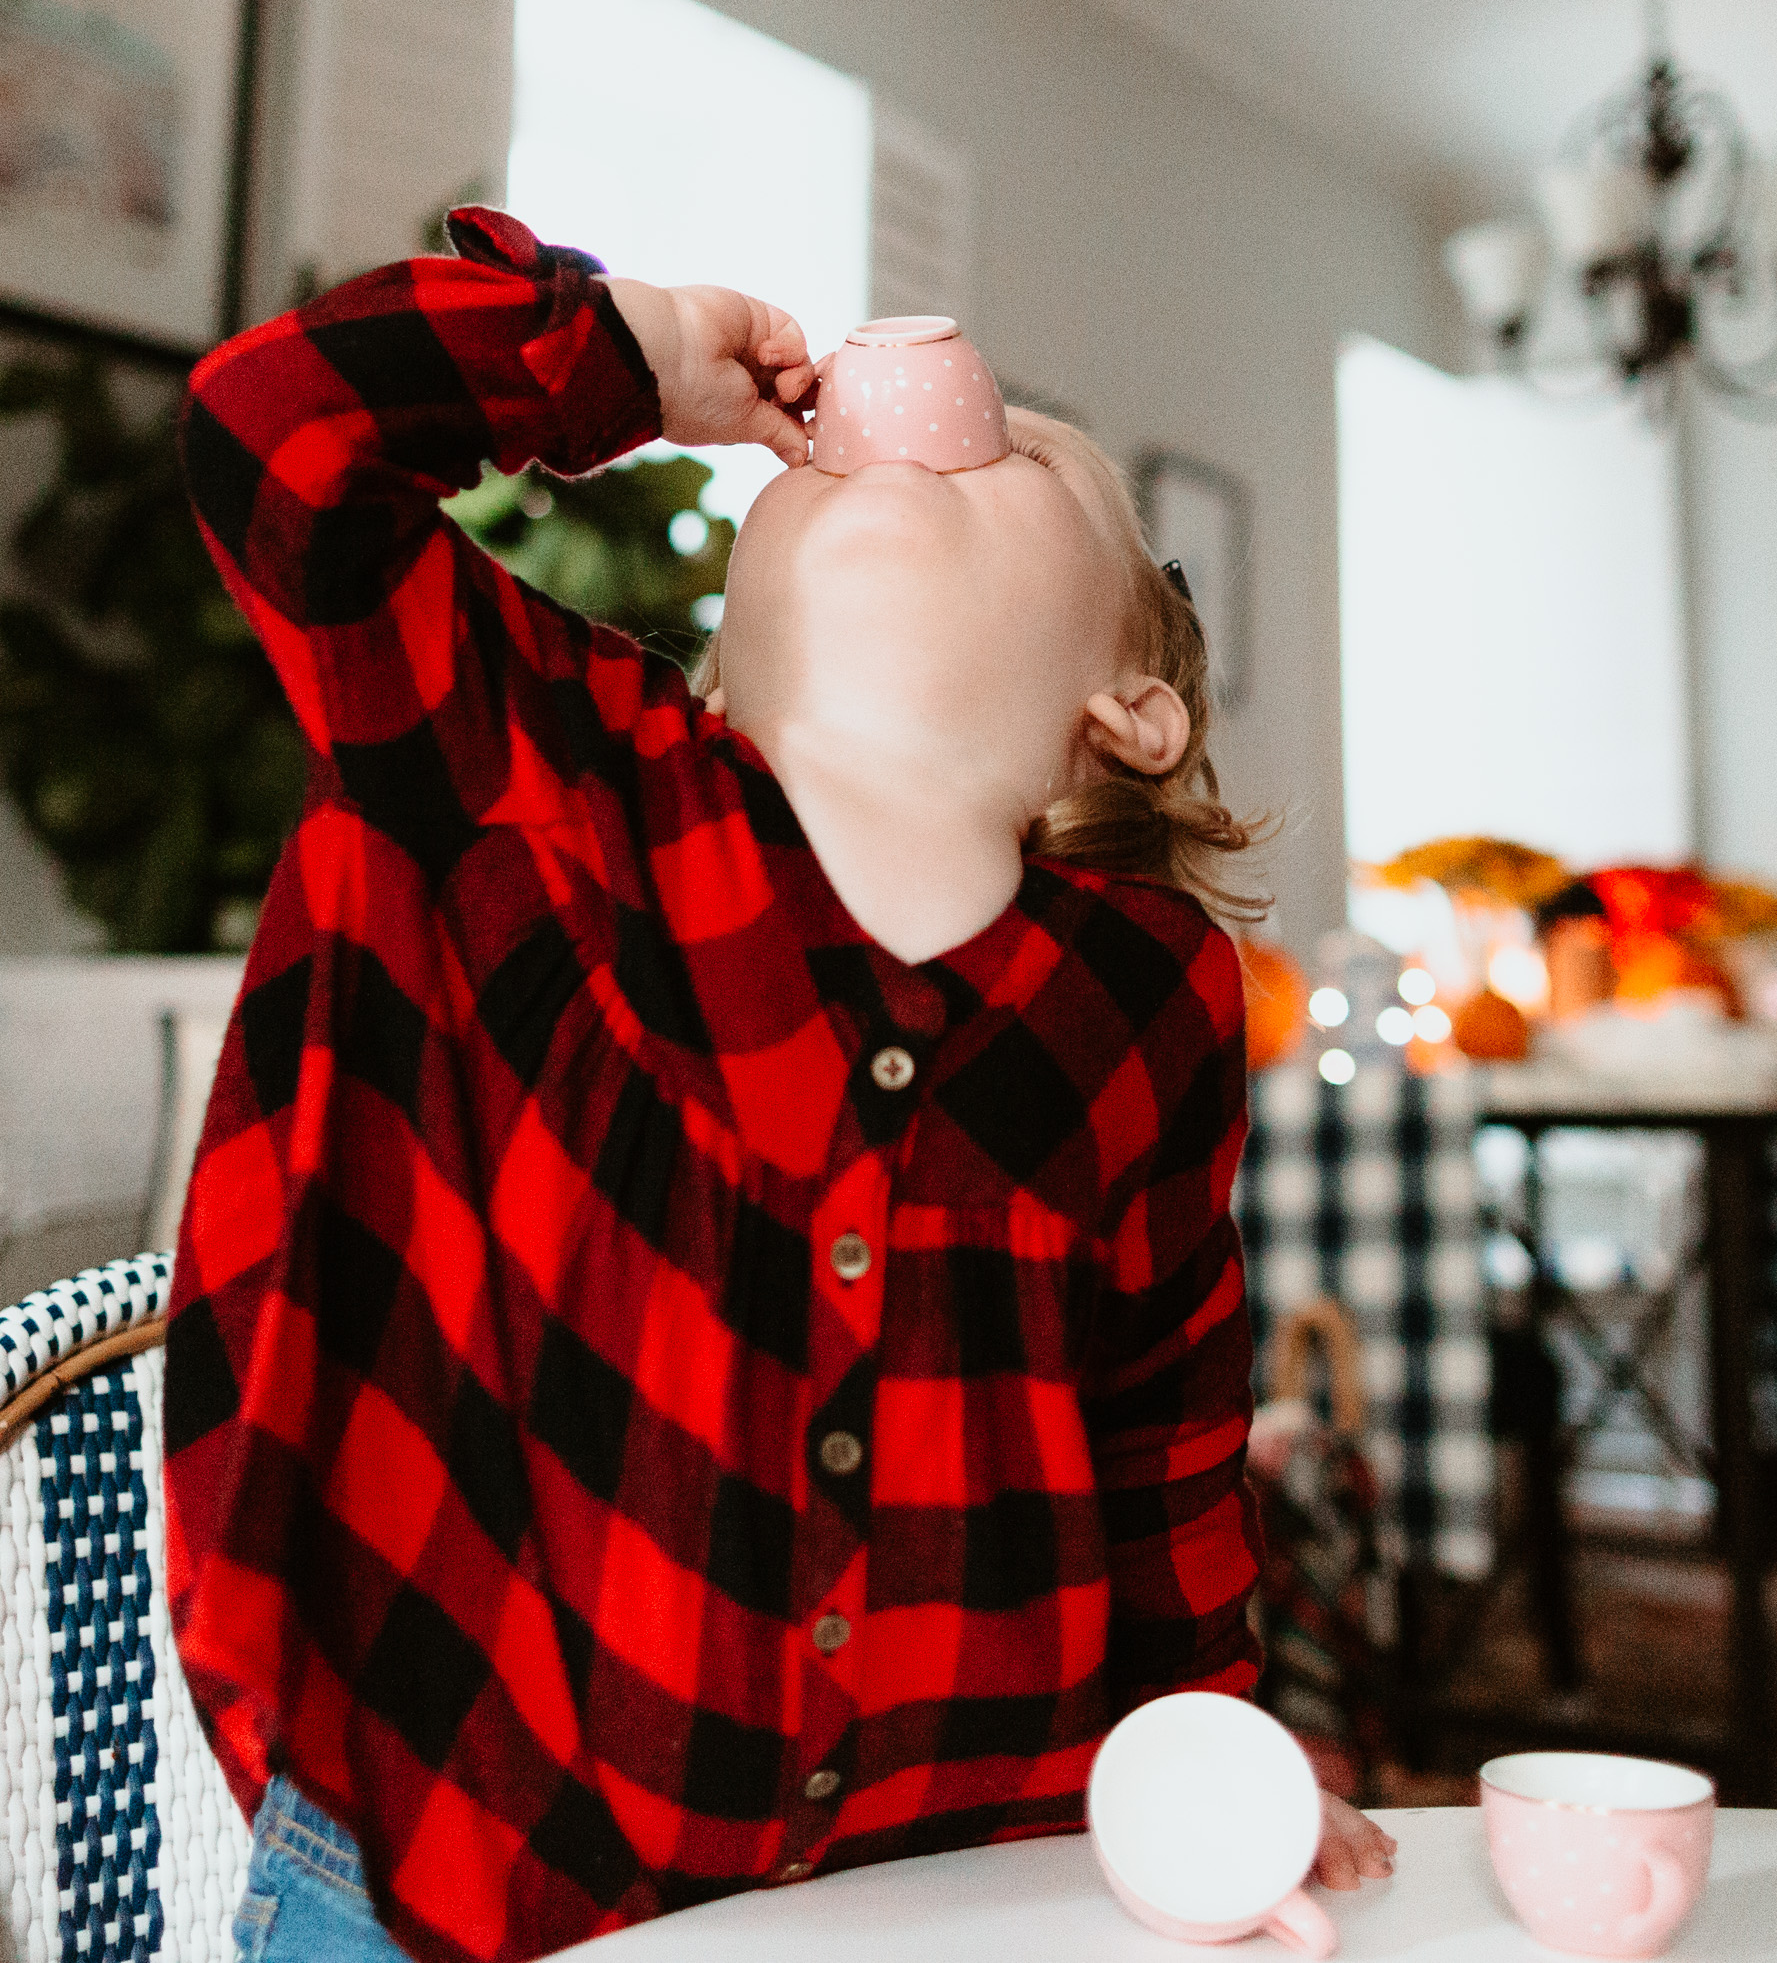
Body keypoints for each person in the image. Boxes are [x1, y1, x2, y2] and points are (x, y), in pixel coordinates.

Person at [166, 209, 1394, 1963]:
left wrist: (1217, 1747)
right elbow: (273, 430)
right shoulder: (566, 790)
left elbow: (1166, 1430)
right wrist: (630, 354)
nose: (911, 435)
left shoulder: (1151, 1002)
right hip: (470, 1862)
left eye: (1025, 448)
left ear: (1130, 713)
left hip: (952, 1881)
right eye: (804, 476)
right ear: (734, 662)